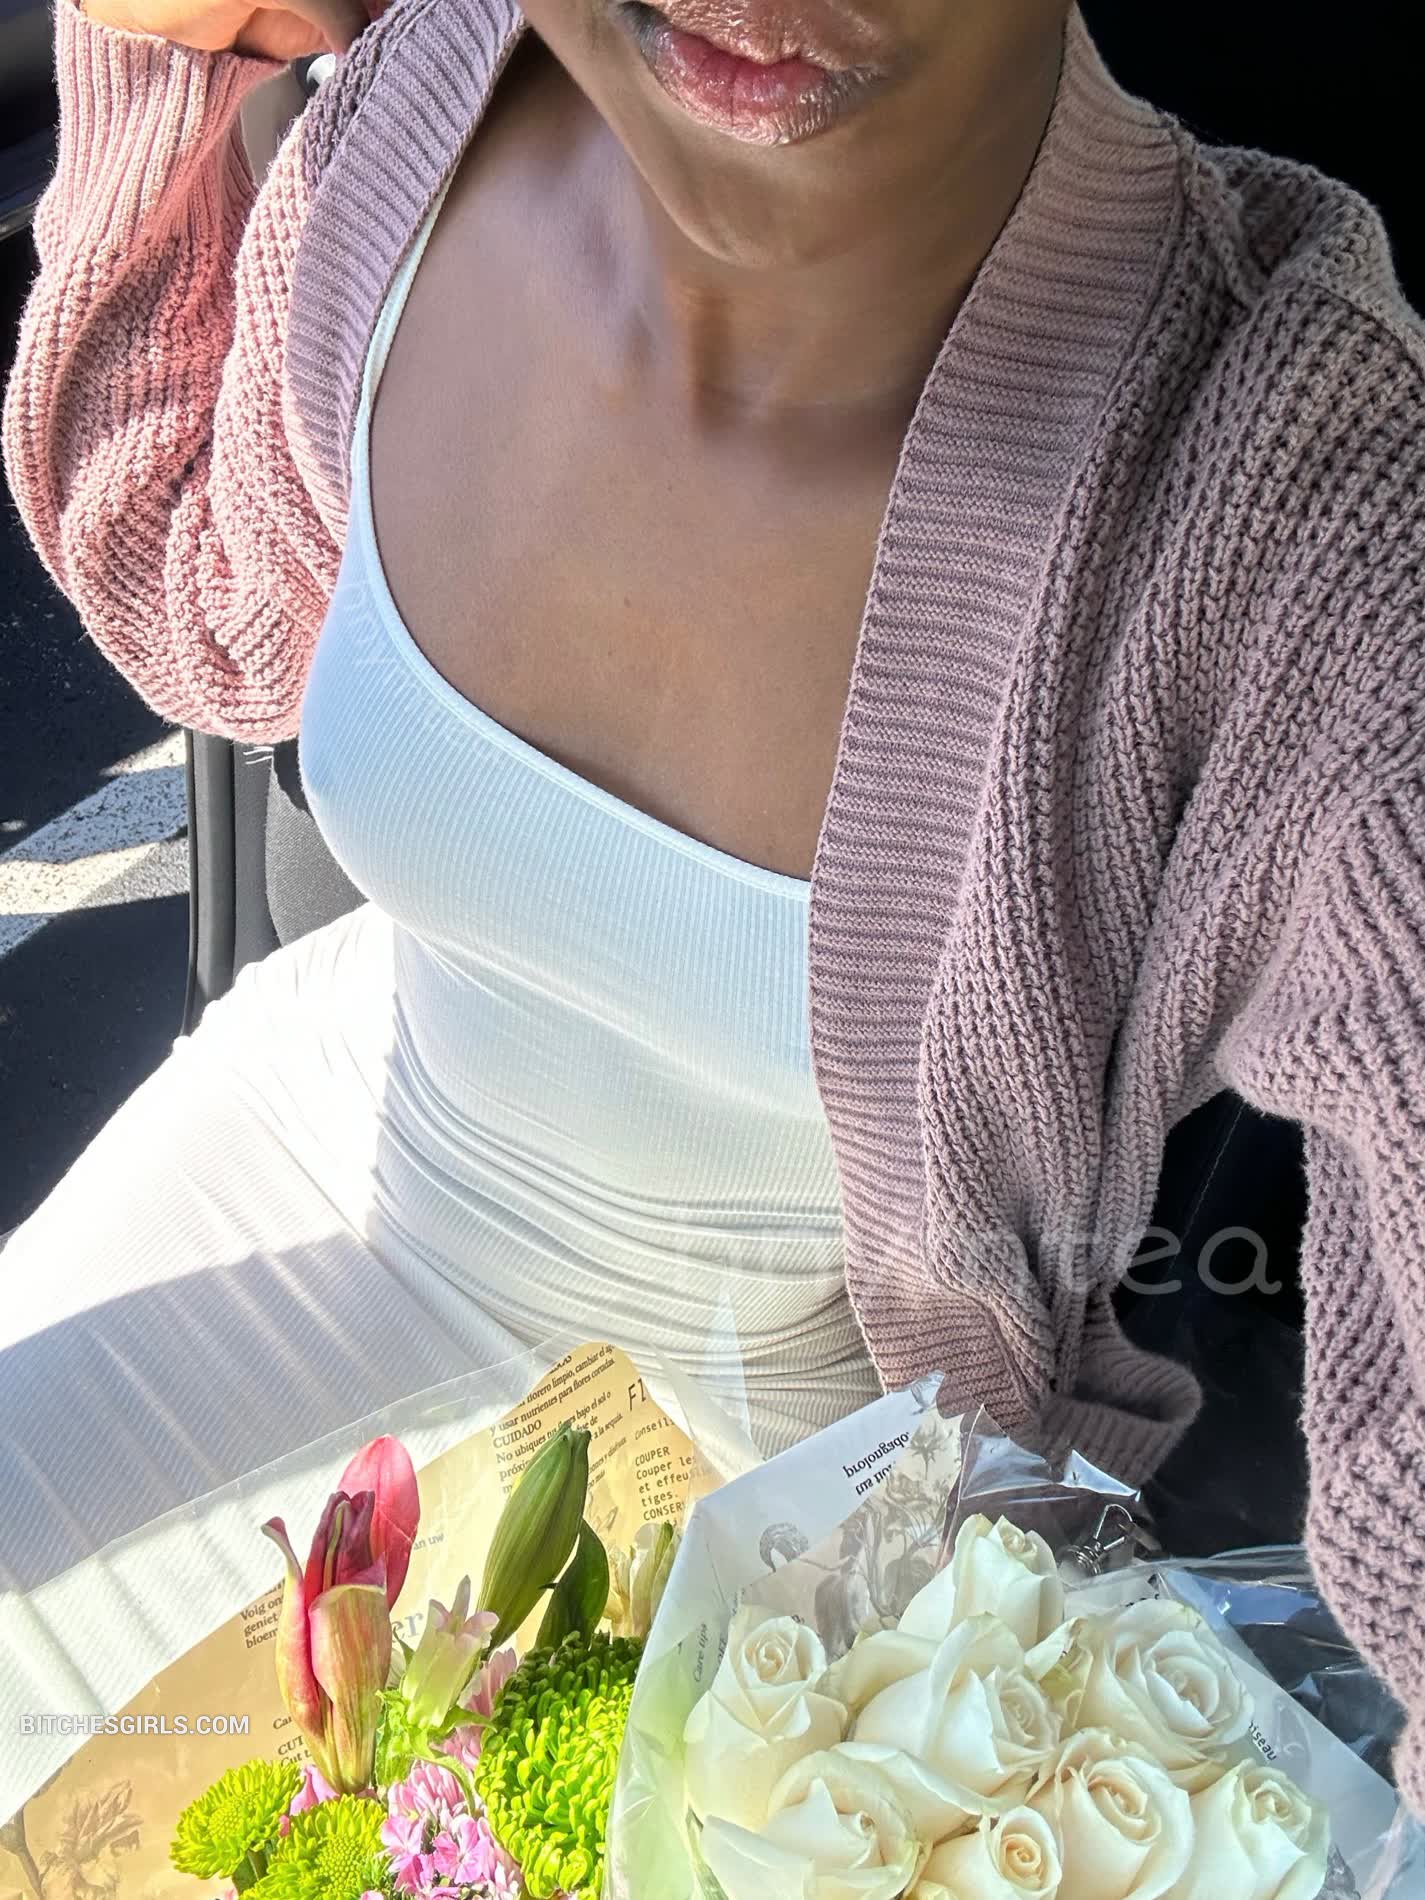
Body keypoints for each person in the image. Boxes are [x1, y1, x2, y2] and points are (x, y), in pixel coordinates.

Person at [3, 0, 1424, 1804]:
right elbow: (206, 615)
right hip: (312, 1152)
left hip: (799, 1489)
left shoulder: (1298, 493)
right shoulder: (425, 105)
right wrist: (155, 55)